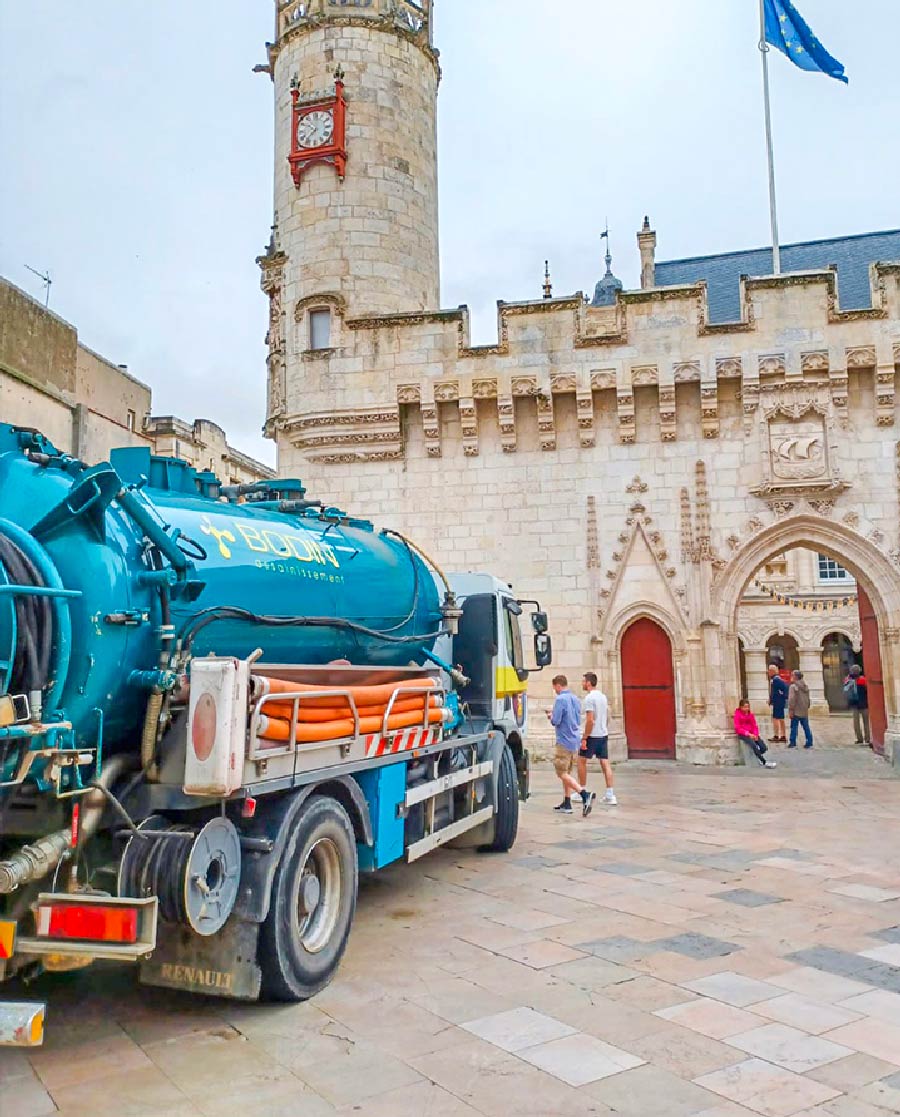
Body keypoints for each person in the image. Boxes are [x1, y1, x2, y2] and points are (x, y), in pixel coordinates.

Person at [546, 675, 595, 816]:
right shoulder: (575, 699)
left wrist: (551, 716)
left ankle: (584, 794)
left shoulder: (560, 699)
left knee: (561, 772)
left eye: (555, 687)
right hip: (575, 739)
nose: (554, 690)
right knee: (567, 772)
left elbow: (556, 720)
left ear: (558, 685)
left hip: (564, 740)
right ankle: (567, 802)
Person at [579, 672, 617, 805]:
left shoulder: (589, 699)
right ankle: (610, 794)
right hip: (602, 734)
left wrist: (585, 737)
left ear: (588, 683)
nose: (582, 684)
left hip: (592, 735)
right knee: (605, 763)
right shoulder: (603, 697)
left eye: (583, 681)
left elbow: (590, 720)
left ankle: (582, 790)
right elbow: (606, 716)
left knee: (581, 761)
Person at [734, 699, 777, 768]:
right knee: (753, 745)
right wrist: (748, 734)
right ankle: (763, 761)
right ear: (741, 707)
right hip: (743, 734)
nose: (746, 709)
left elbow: (754, 726)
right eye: (745, 707)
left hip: (752, 733)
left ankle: (757, 754)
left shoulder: (751, 715)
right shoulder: (737, 715)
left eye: (747, 707)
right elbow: (738, 728)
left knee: (763, 747)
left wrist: (755, 734)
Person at [844, 664, 871, 746]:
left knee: (856, 723)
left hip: (855, 704)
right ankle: (867, 739)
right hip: (864, 703)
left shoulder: (848, 680)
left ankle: (860, 739)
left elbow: (845, 690)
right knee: (866, 722)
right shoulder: (863, 680)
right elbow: (868, 691)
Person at [788, 670, 813, 749]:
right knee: (806, 726)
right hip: (804, 709)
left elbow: (792, 699)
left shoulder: (793, 687)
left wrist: (791, 710)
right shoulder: (805, 686)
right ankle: (809, 741)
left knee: (794, 727)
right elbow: (808, 698)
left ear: (795, 677)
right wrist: (807, 706)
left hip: (796, 709)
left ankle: (792, 742)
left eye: (792, 675)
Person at [767, 664, 789, 743]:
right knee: (780, 719)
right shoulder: (776, 679)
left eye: (769, 671)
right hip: (779, 701)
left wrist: (773, 699)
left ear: (772, 671)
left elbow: (781, 689)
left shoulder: (776, 680)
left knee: (776, 719)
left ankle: (777, 735)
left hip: (778, 701)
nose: (768, 672)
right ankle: (782, 735)